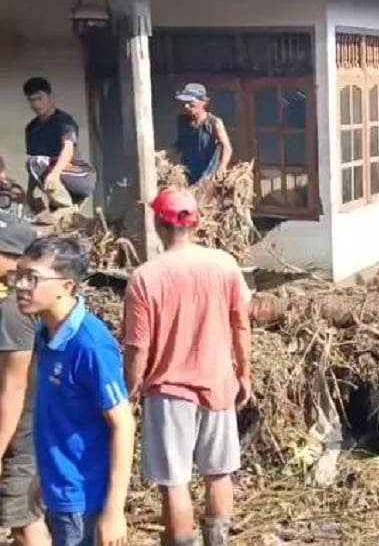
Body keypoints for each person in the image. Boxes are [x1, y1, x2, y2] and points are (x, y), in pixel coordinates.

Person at [123, 188, 252, 546]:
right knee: (218, 473)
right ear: (196, 222)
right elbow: (242, 323)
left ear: (157, 223)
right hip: (218, 384)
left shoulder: (145, 278)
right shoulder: (224, 265)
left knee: (175, 482)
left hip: (168, 392)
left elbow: (138, 347)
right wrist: (244, 373)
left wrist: (130, 390)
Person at [15, 236, 133, 546]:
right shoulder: (44, 332)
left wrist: (114, 511)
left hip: (84, 498)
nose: (21, 286)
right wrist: (43, 475)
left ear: (67, 287)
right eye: (20, 274)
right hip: (58, 487)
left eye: (33, 278)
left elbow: (123, 424)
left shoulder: (90, 345)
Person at [0, 221, 47, 545]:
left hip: (22, 432)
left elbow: (13, 387)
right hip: (39, 422)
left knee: (21, 517)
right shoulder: (38, 299)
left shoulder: (14, 310)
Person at [22, 78, 96, 221]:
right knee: (34, 163)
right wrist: (30, 193)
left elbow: (68, 149)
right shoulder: (31, 128)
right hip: (55, 178)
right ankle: (57, 210)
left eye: (40, 98)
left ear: (50, 97)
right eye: (32, 100)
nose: (36, 104)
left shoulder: (64, 121)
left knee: (36, 162)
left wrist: (55, 174)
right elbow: (33, 168)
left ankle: (64, 207)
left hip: (79, 175)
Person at [173, 83, 234, 186]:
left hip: (208, 176)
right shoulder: (182, 122)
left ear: (203, 102)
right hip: (188, 175)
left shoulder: (214, 123)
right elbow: (181, 144)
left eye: (191, 103)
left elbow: (227, 147)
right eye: (185, 102)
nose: (186, 106)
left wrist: (222, 167)